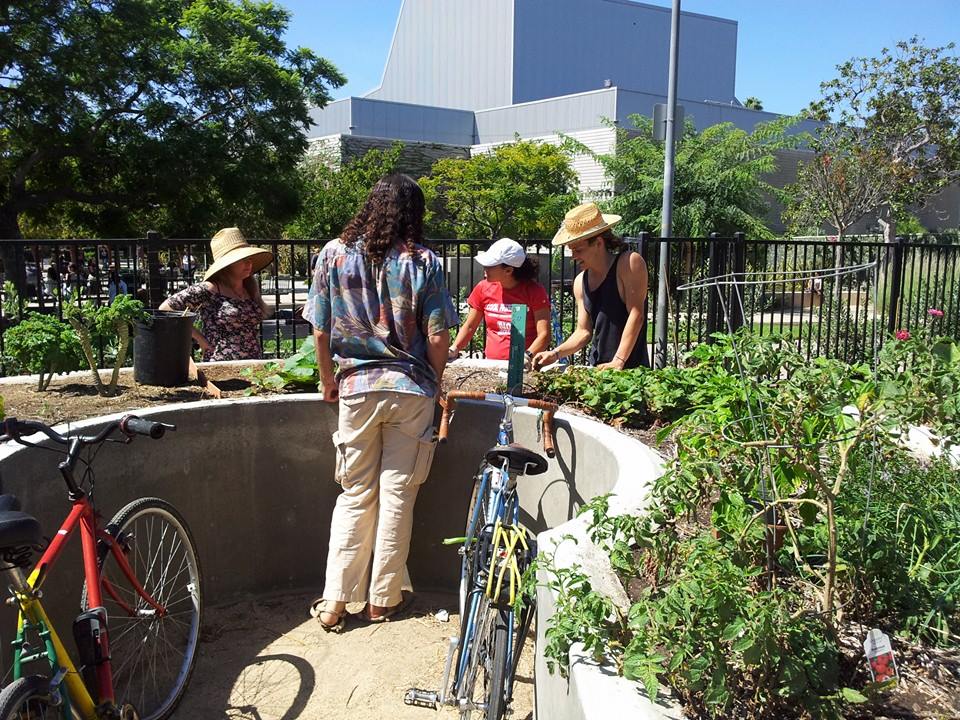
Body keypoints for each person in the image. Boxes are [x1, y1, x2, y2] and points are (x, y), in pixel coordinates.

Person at [303, 173, 457, 632]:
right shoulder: (424, 260)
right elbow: (438, 334)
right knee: (397, 496)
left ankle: (334, 603)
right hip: (410, 390)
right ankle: (383, 600)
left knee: (354, 495)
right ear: (414, 212)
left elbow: (320, 326)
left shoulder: (333, 253)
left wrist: (328, 378)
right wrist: (435, 380)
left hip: (356, 388)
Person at [533, 202, 649, 370]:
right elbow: (583, 332)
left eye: (578, 250)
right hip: (599, 370)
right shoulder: (580, 282)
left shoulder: (629, 263)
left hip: (633, 373)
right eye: (571, 250)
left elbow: (636, 315)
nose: (573, 256)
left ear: (599, 243)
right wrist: (555, 353)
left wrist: (618, 361)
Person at [159, 227, 273, 361]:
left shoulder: (250, 287)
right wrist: (200, 339)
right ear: (228, 264)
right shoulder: (210, 289)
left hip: (253, 364)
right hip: (221, 364)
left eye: (249, 259)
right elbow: (165, 309)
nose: (249, 263)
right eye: (242, 259)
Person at [448, 238, 550, 361]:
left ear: (508, 270)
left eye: (490, 265)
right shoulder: (482, 288)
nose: (485, 268)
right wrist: (454, 349)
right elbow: (470, 326)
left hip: (524, 367)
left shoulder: (535, 291)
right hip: (492, 364)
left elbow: (544, 334)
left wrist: (526, 357)